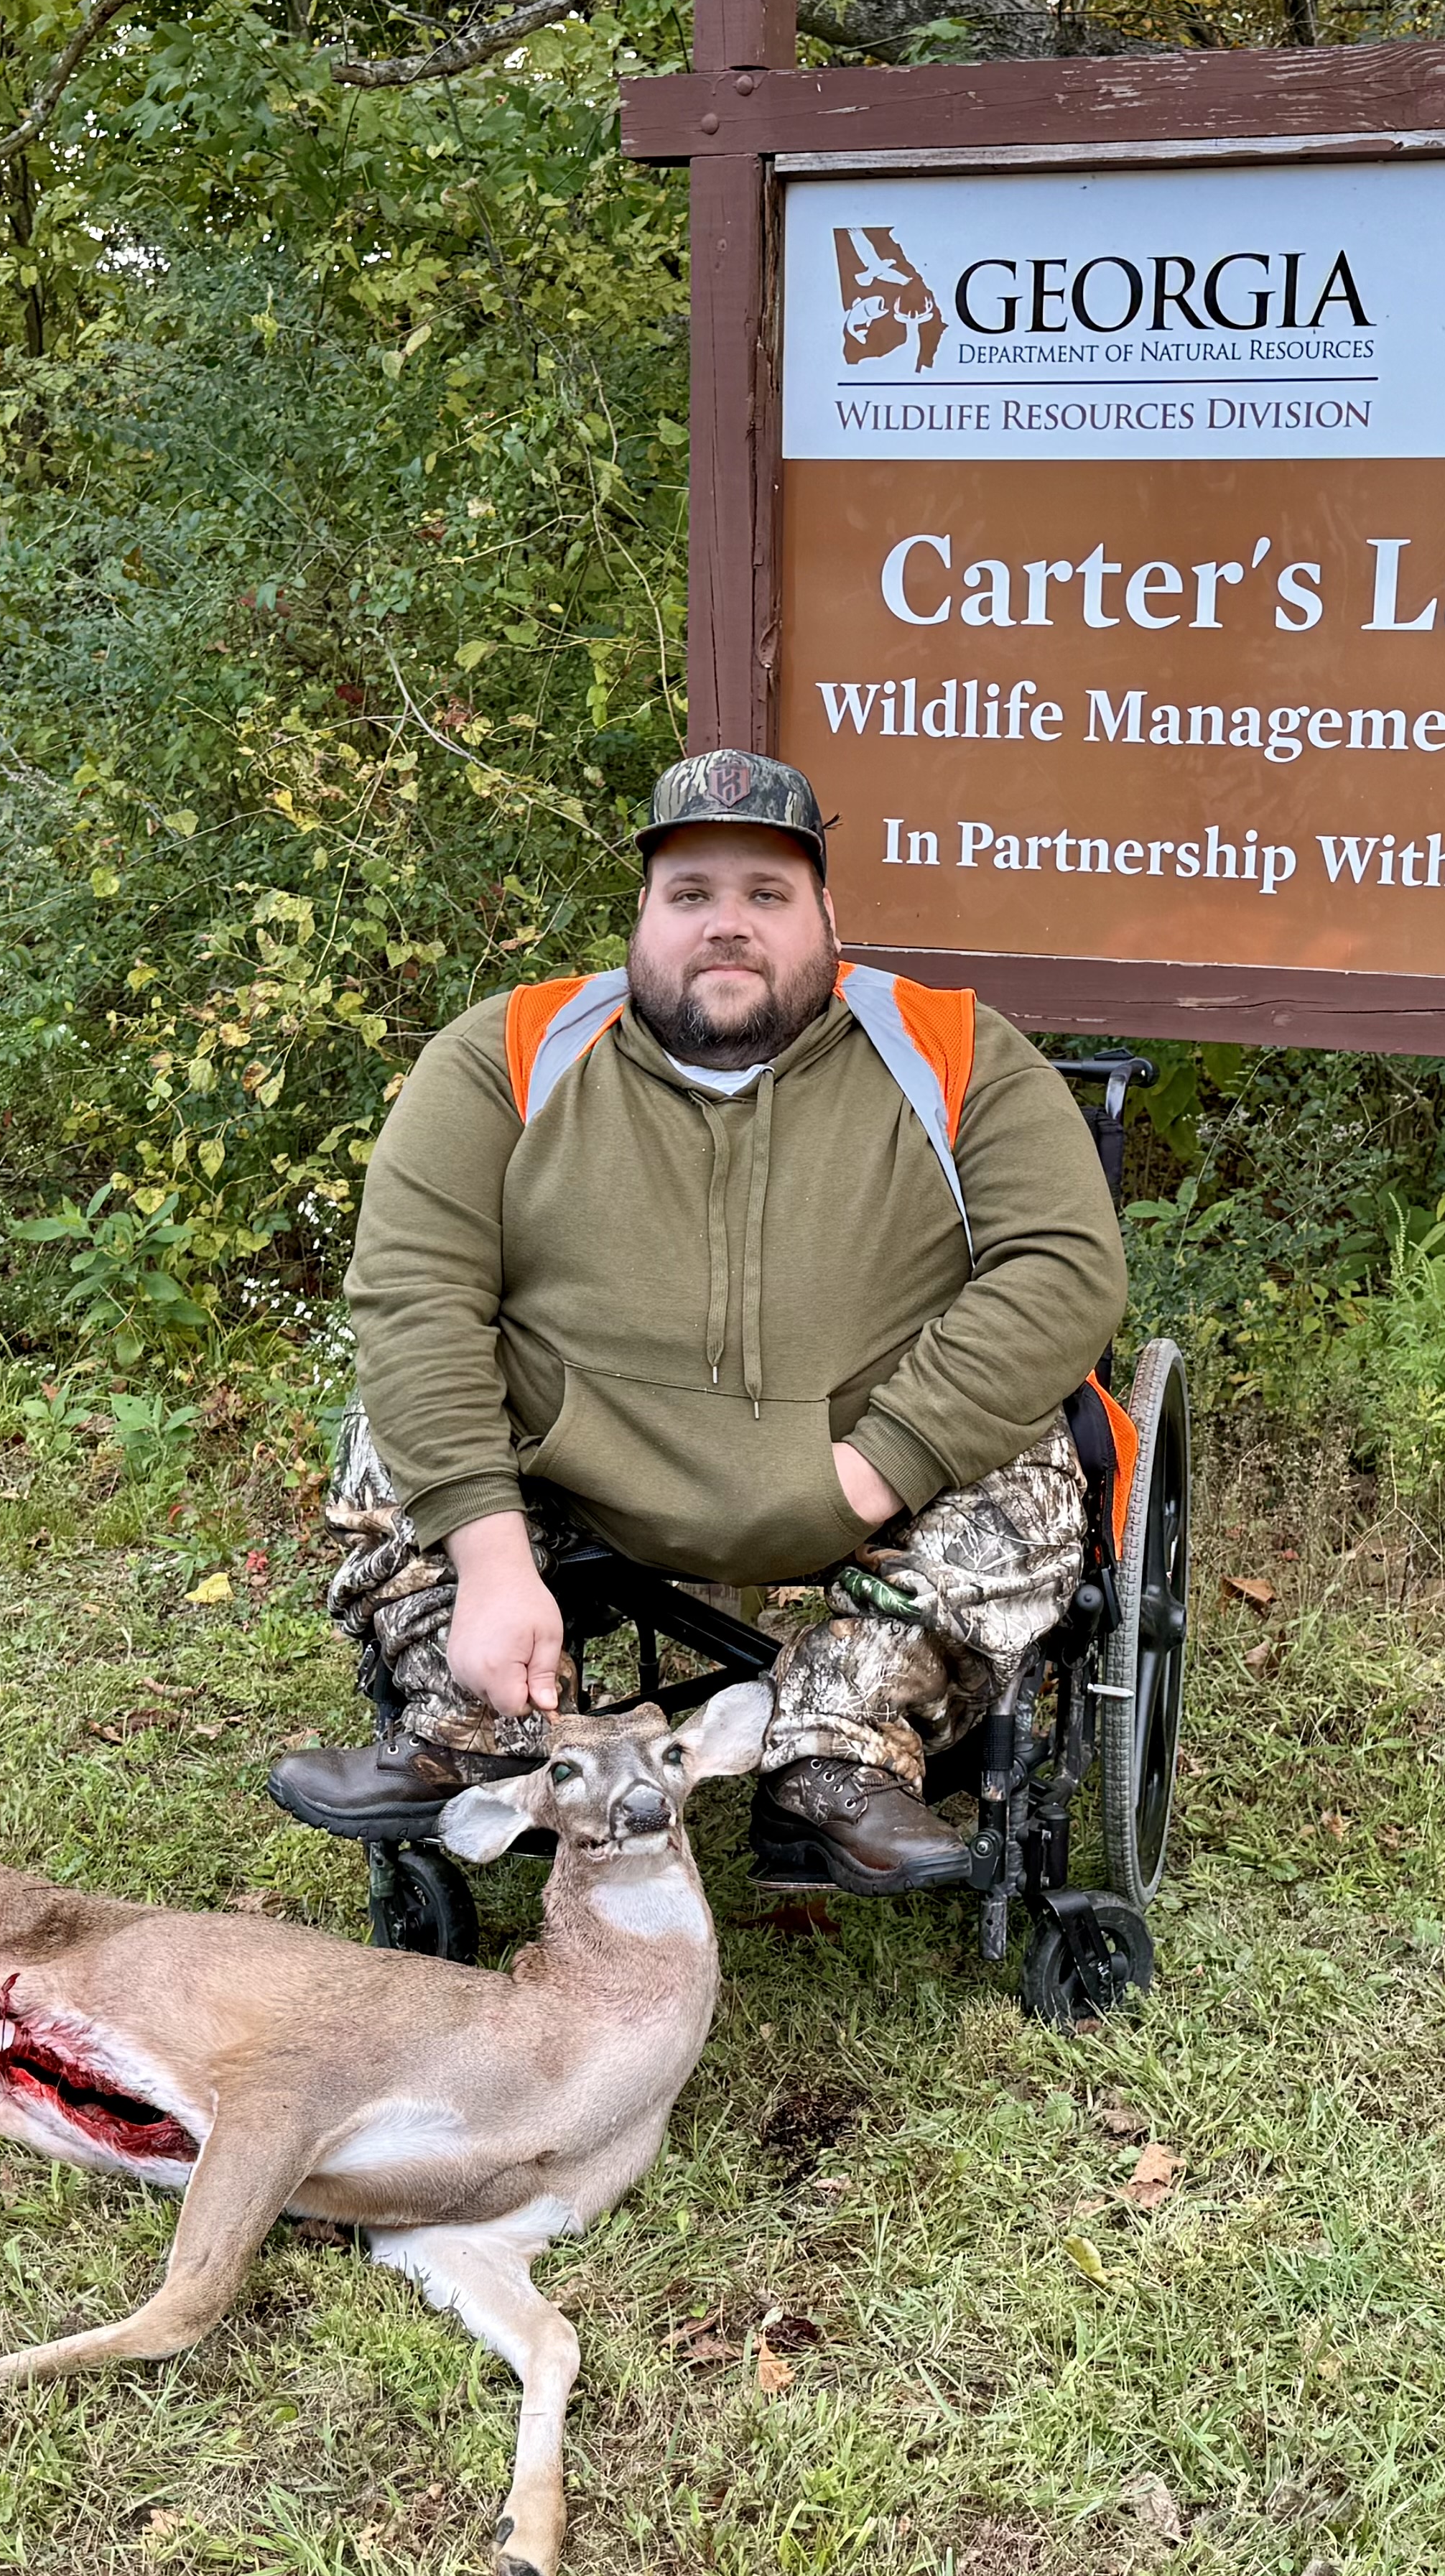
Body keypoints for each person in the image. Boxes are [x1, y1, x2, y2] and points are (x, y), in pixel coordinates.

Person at [267, 751, 1130, 1889]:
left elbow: (1065, 1266)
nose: (728, 925)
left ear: (829, 914)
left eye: (767, 895)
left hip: (865, 1462)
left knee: (1036, 1457)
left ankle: (837, 1753)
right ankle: (473, 1728)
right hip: (577, 1460)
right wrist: (486, 1553)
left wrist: (880, 1464)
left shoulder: (957, 1054)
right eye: (692, 895)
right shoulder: (508, 1054)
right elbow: (414, 1287)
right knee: (400, 1414)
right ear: (643, 915)